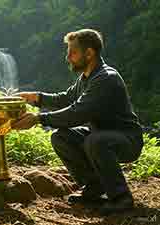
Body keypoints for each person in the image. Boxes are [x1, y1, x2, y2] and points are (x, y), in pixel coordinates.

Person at [12, 29, 143, 215]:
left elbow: (76, 113)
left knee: (95, 141)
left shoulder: (106, 78)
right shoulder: (86, 78)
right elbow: (65, 98)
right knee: (61, 137)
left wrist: (38, 118)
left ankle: (121, 198)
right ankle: (94, 187)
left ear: (89, 53)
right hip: (102, 136)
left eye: (72, 52)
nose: (68, 57)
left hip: (127, 140)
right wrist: (35, 97)